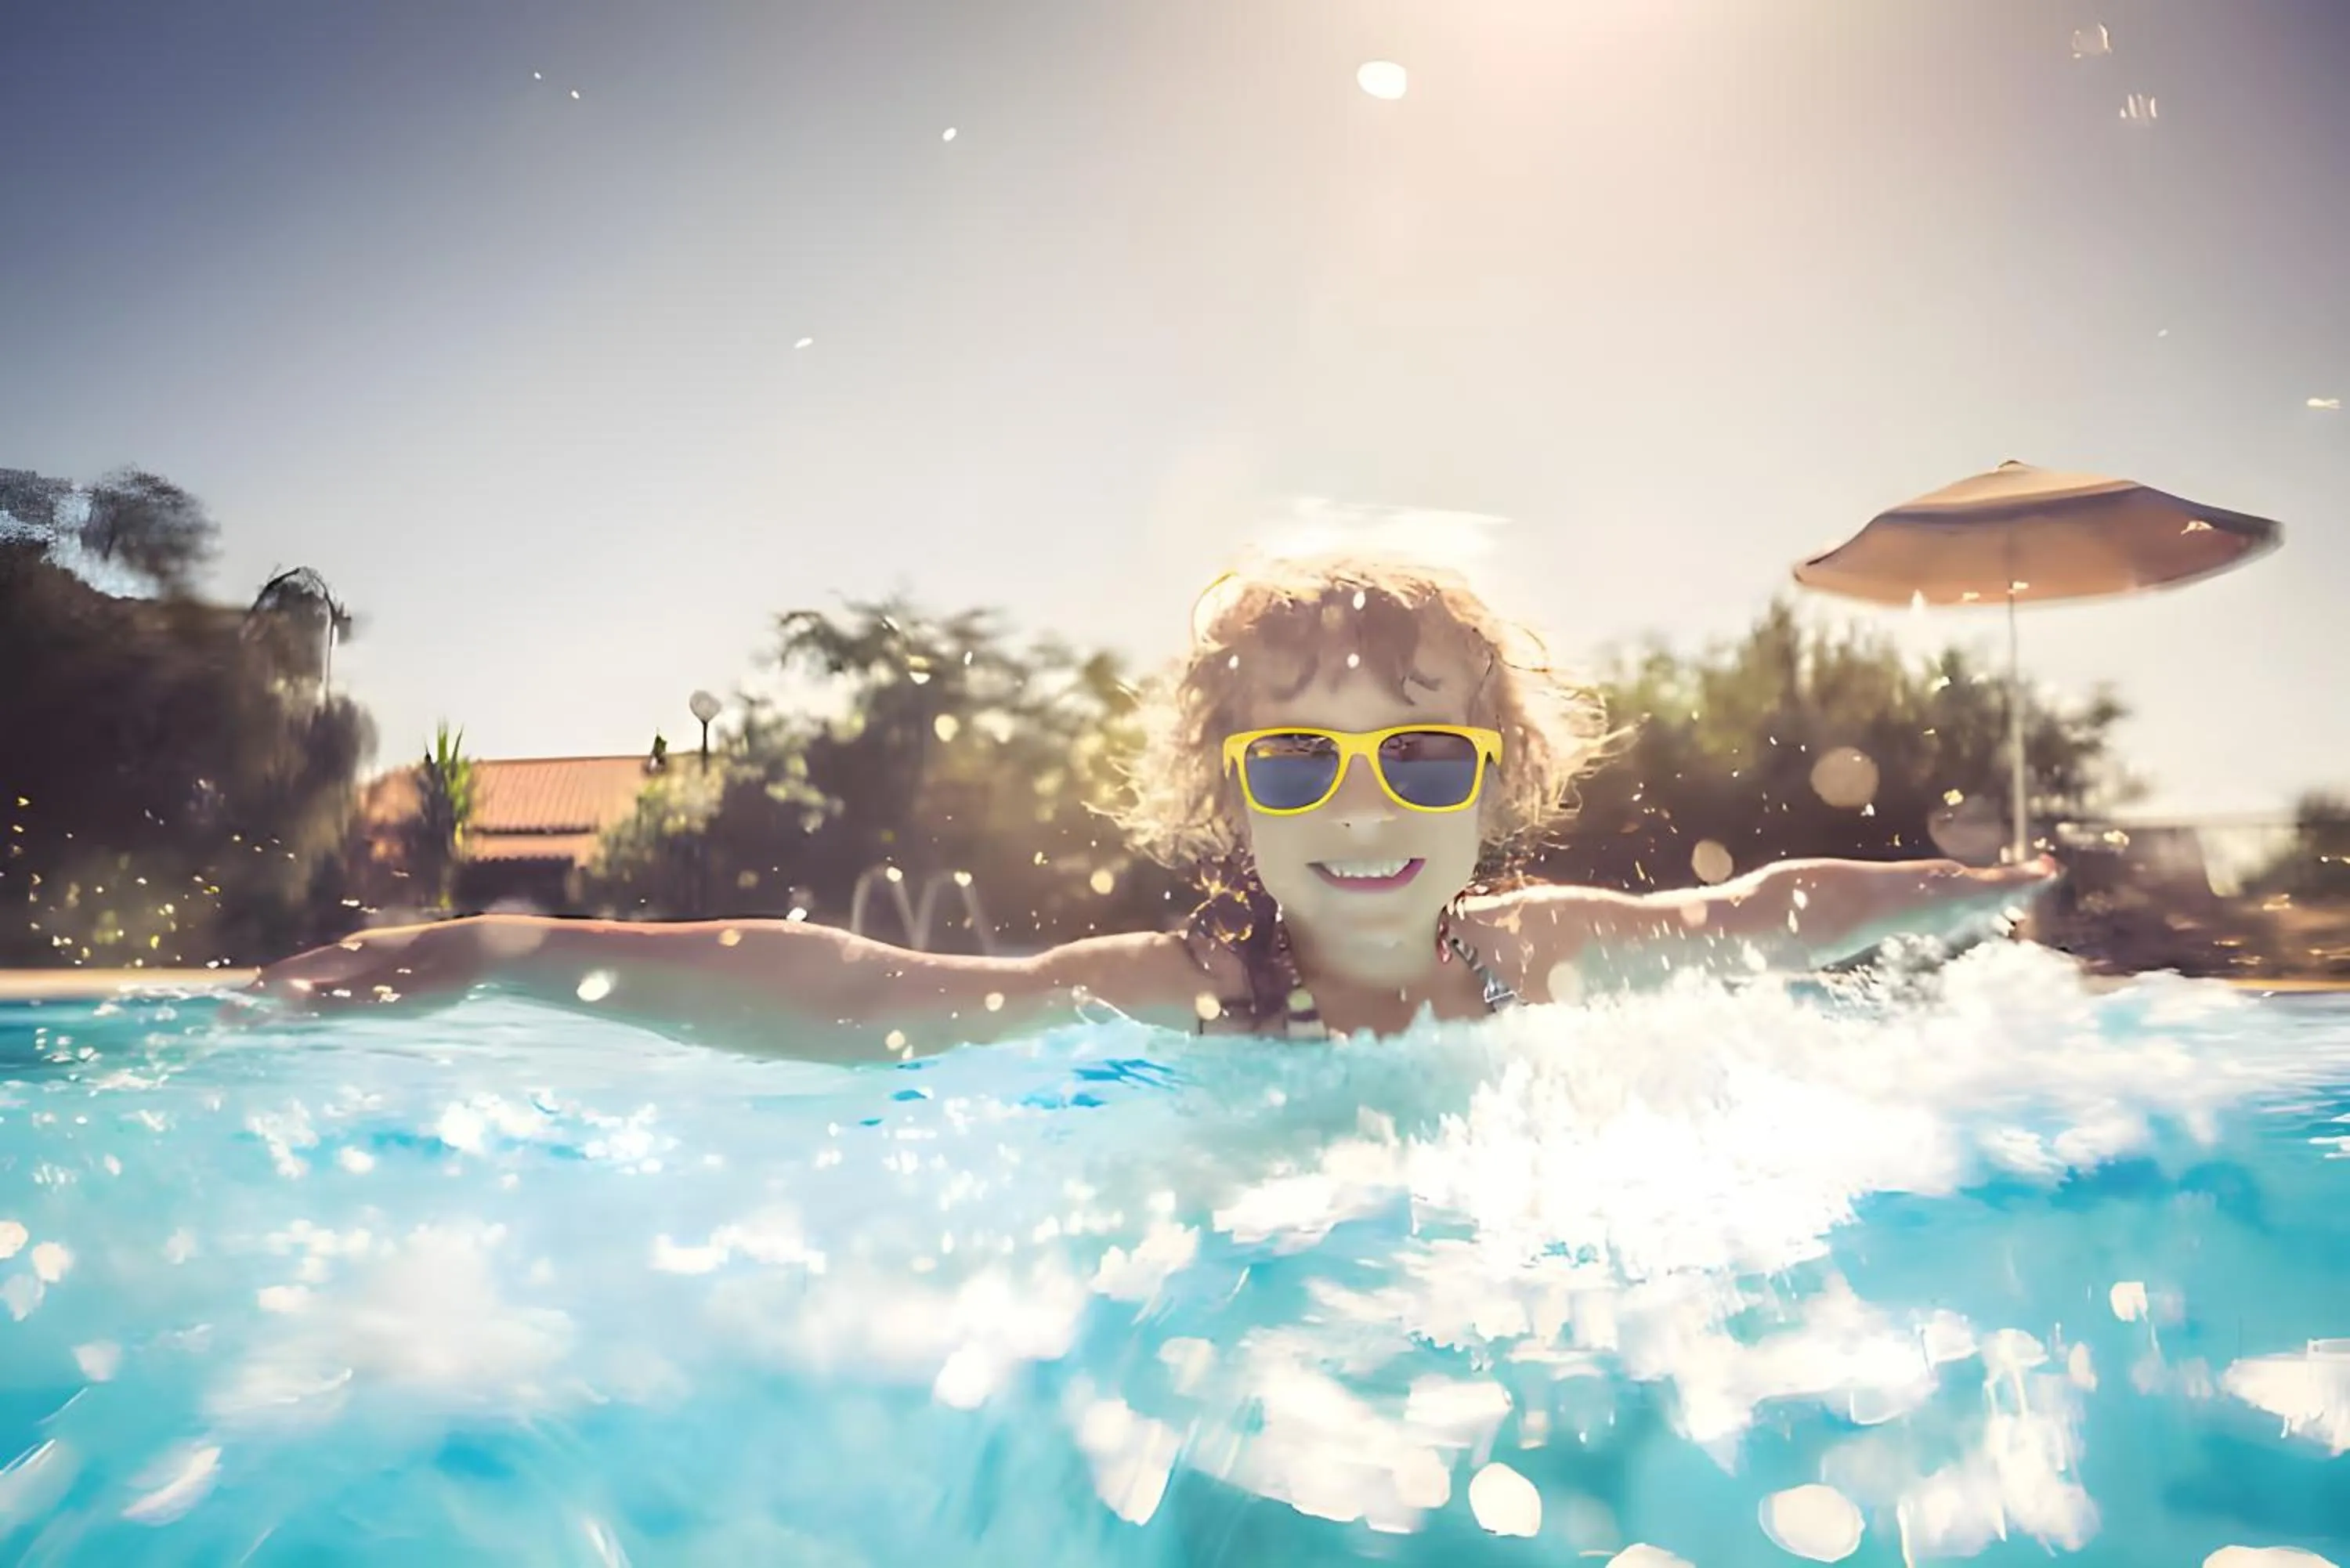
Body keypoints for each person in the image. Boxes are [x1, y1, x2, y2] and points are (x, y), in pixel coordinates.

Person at [251, 554, 2056, 1060]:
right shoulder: (1181, 985)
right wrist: (500, 939)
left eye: (1424, 754)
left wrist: (1964, 891)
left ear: (1496, 784)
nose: (1369, 801)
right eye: (1301, 759)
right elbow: (866, 989)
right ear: (1234, 800)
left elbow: (1757, 917)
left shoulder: (1530, 953)